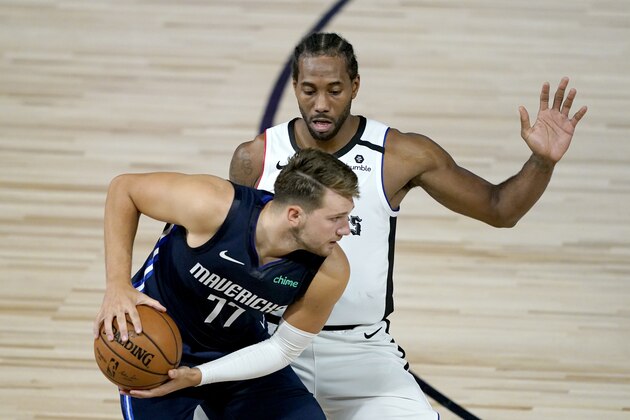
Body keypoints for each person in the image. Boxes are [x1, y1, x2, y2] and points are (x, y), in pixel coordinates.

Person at [229, 32, 588, 419]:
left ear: (355, 86)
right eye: (309, 90)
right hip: (269, 340)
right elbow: (221, 250)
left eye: (334, 90)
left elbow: (500, 209)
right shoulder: (257, 157)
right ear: (295, 87)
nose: (320, 105)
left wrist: (542, 162)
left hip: (361, 352)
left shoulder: (401, 154)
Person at [93, 148, 360, 420]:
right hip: (157, 347)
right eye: (335, 218)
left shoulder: (329, 271)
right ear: (294, 215)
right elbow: (124, 189)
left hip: (241, 353)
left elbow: (282, 348)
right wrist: (117, 286)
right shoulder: (211, 205)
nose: (346, 229)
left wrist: (199, 376)